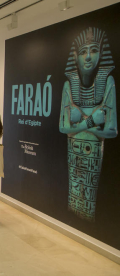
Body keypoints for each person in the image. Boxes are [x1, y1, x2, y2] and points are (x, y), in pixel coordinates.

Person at [59, 27, 117, 222]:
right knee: (74, 193)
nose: (89, 57)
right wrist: (91, 120)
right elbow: (63, 128)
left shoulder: (107, 82)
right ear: (75, 58)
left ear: (102, 55)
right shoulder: (69, 85)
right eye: (83, 52)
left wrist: (80, 121)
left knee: (88, 199)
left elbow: (110, 131)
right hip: (73, 151)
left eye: (94, 50)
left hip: (94, 153)